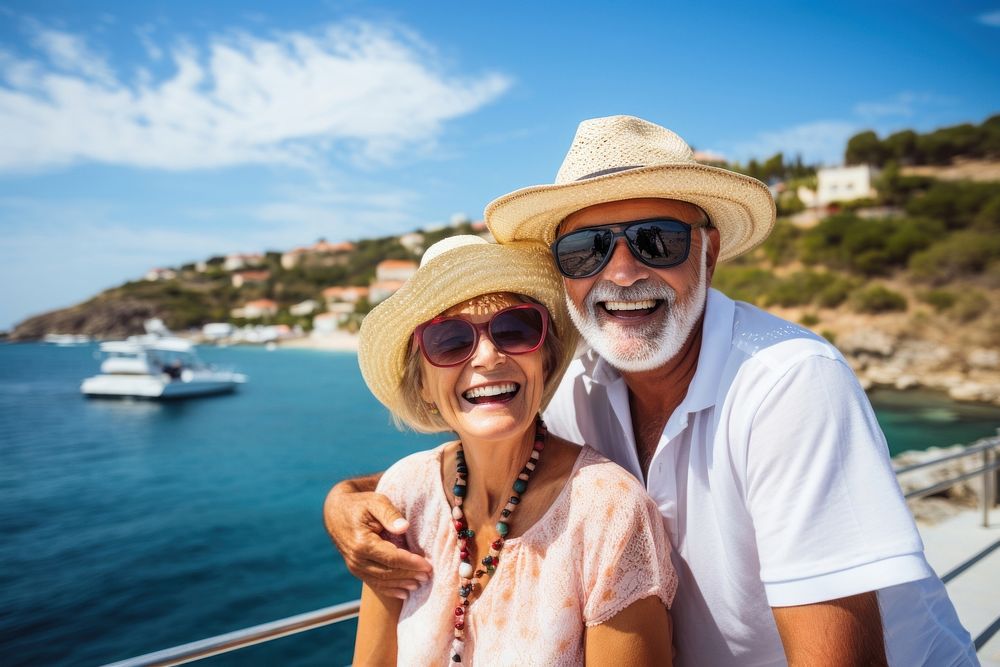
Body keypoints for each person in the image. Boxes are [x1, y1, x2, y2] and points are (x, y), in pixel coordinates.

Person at [328, 116, 977, 665]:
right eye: (585, 250)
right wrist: (347, 499)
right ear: (564, 273)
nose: (623, 270)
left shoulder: (786, 383)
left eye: (656, 240)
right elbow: (472, 457)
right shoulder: (573, 382)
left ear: (709, 251)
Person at [350, 235, 676, 665]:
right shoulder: (403, 492)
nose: (487, 356)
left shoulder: (609, 512)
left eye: (515, 329)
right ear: (424, 384)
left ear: (546, 358)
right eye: (449, 340)